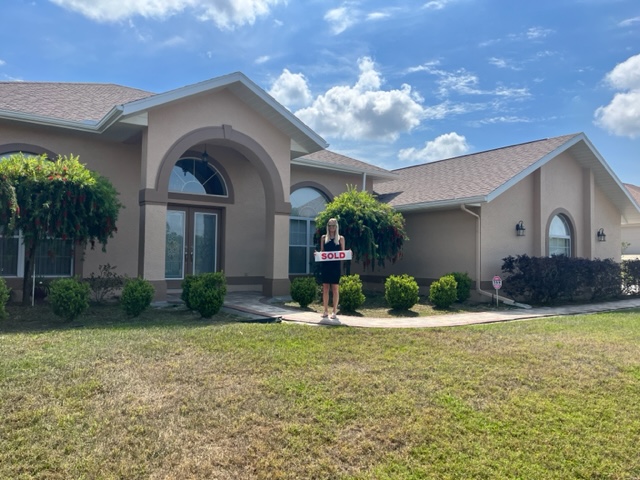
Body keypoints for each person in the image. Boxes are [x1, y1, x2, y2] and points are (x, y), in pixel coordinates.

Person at [319, 218, 345, 319]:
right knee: (325, 288)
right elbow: (322, 252)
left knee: (335, 288)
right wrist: (317, 254)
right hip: (326, 266)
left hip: (335, 267)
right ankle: (325, 310)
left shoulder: (340, 238)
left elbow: (343, 253)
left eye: (333, 226)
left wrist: (348, 253)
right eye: (330, 226)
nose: (331, 228)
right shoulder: (323, 238)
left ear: (336, 226)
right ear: (328, 226)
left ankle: (334, 311)